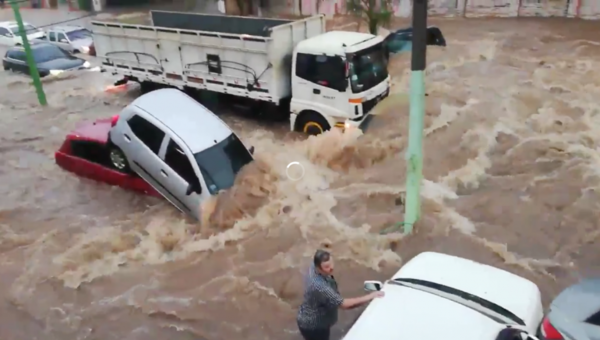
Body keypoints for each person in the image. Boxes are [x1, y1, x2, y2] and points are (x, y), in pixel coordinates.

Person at [296, 249, 385, 340]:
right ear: (318, 267)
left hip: (312, 313)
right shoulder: (320, 286)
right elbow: (344, 304)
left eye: (331, 263)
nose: (331, 268)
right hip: (313, 326)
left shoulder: (314, 266)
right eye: (326, 267)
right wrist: (370, 296)